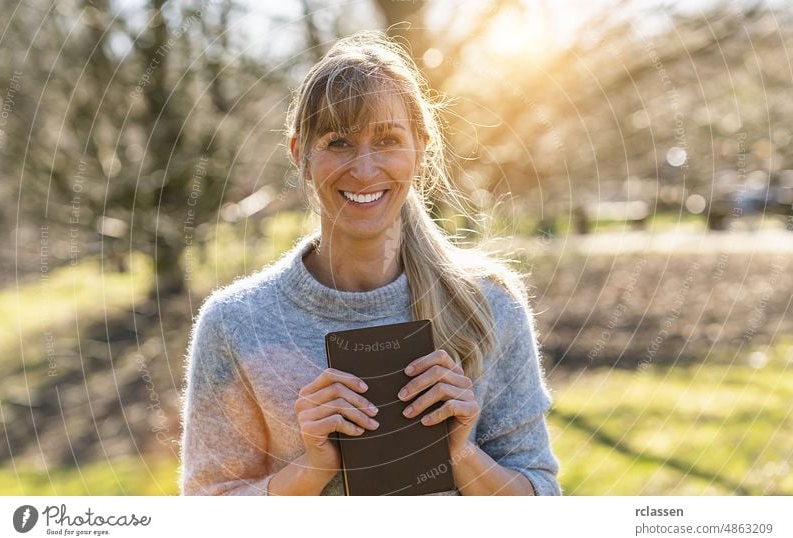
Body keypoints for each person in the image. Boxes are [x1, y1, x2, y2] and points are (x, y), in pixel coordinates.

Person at [179, 30, 561, 496]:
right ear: (300, 153)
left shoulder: (489, 305)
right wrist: (312, 467)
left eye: (387, 140)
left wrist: (462, 453)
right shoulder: (235, 322)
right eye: (338, 141)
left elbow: (542, 502)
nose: (363, 169)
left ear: (420, 150)